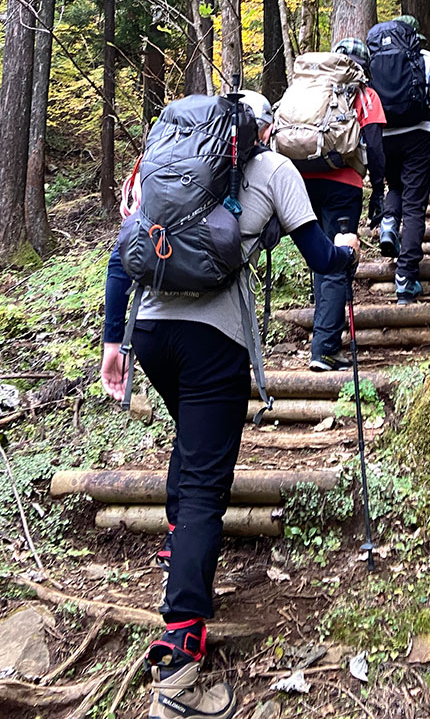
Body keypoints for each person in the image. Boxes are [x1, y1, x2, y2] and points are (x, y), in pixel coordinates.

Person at [100, 90, 360, 719]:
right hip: (215, 345)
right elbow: (322, 259)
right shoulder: (274, 171)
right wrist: (347, 248)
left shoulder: (162, 163)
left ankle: (173, 544)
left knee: (190, 444)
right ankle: (181, 663)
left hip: (153, 334)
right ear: (262, 127)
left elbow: (122, 254)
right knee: (207, 485)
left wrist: (114, 341)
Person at [300, 37, 386, 371]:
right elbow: (376, 147)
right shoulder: (364, 95)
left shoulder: (313, 91)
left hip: (303, 182)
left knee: (320, 255)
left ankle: (324, 332)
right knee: (337, 261)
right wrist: (378, 190)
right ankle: (324, 349)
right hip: (343, 184)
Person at [373, 15, 430, 304]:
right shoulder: (425, 58)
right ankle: (406, 278)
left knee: (395, 188)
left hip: (384, 138)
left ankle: (388, 222)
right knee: (414, 206)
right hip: (418, 137)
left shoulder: (375, 62)